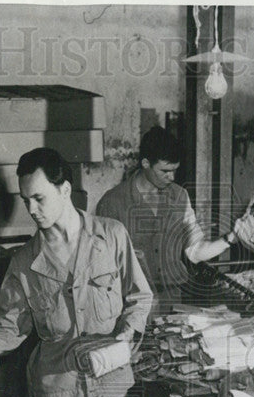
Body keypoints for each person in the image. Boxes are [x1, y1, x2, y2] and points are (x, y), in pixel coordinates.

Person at [0, 147, 153, 397]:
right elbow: (7, 331)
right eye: (25, 200)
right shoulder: (24, 264)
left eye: (39, 198)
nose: (31, 209)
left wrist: (125, 337)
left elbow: (138, 296)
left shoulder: (112, 235)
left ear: (64, 190)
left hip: (111, 379)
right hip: (58, 386)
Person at [95, 126, 236, 298]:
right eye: (165, 171)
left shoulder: (180, 196)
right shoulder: (112, 203)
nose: (172, 177)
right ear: (146, 163)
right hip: (130, 300)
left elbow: (195, 252)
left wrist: (231, 238)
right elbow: (101, 266)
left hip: (172, 296)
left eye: (175, 170)